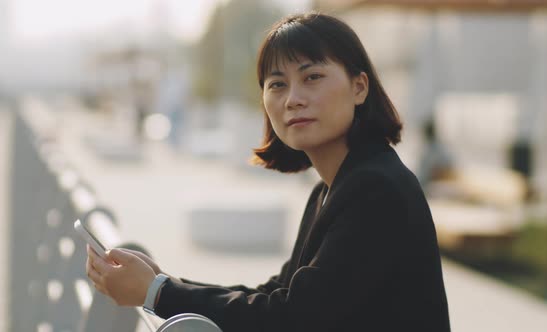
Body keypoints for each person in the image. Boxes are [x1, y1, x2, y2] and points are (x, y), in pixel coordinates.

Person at [86, 12, 451, 332]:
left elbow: (293, 318)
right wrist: (163, 283)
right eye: (277, 84)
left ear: (359, 87)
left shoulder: (375, 189)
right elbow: (278, 294)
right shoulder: (332, 188)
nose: (293, 98)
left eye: (312, 77)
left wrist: (155, 293)